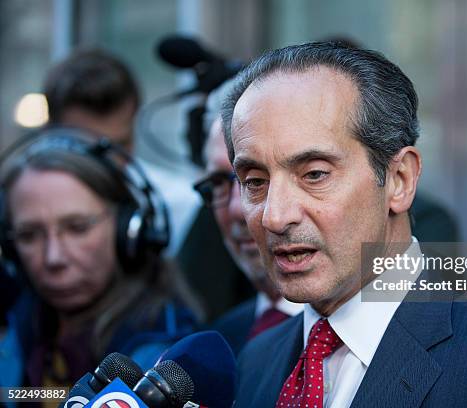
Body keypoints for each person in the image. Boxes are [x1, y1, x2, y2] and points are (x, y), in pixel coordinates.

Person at [220, 42, 467, 407]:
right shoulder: (255, 359)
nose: (274, 215)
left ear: (400, 180)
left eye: (315, 174)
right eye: (255, 181)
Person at [0, 127, 202, 398]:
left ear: (129, 229)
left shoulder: (167, 359)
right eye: (28, 235)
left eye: (78, 227)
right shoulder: (17, 329)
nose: (53, 257)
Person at [43, 48, 201, 255]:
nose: (105, 165)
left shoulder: (181, 205)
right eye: (86, 150)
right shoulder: (24, 206)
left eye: (118, 146)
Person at [193, 81, 302, 355]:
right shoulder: (219, 342)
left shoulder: (401, 323)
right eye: (219, 182)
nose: (237, 209)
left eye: (257, 180)